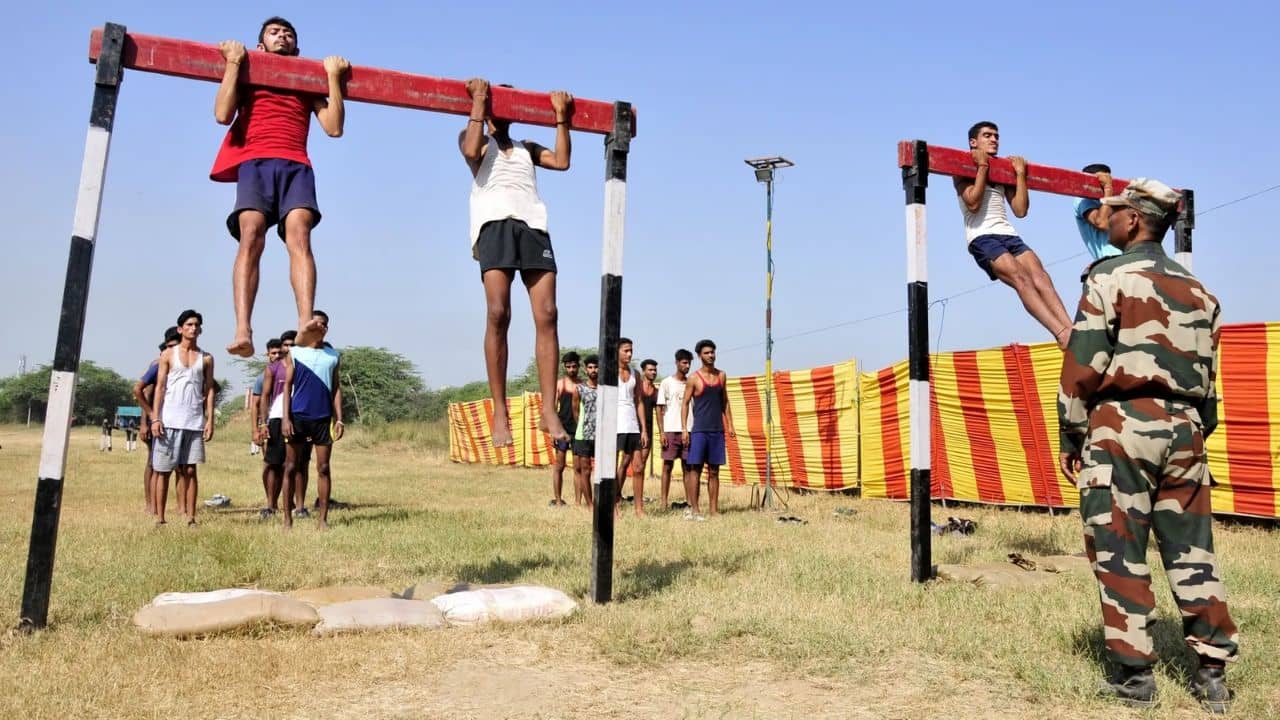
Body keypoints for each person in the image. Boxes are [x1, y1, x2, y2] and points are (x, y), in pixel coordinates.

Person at [1057, 179, 1237, 712]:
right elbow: (1208, 381)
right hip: (1186, 429)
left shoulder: (1107, 277)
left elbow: (1084, 361)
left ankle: (1134, 677)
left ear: (1133, 219)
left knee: (1119, 548)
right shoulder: (1201, 292)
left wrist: (1072, 431)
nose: (1104, 220)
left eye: (1110, 213)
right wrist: (1196, 428)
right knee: (1193, 550)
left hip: (1122, 425)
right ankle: (1212, 672)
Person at [211, 17, 350, 357]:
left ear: (297, 47)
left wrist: (332, 78)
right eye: (274, 33)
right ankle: (243, 328)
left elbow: (333, 128)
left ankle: (306, 321)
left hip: (296, 165)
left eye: (288, 34)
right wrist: (233, 62)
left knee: (300, 236)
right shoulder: (249, 70)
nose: (282, 37)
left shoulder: (306, 79)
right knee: (251, 236)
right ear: (261, 45)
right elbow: (222, 113)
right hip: (256, 162)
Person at [460, 77, 574, 448]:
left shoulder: (527, 146)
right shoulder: (474, 136)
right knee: (498, 313)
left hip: (533, 225)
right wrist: (478, 100)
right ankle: (499, 410)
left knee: (548, 313)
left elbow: (562, 161)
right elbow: (472, 150)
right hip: (494, 225)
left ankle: (549, 409)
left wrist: (561, 118)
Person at [954, 121, 1074, 349]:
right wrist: (981, 168)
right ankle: (1060, 333)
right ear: (973, 142)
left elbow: (1020, 210)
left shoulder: (1001, 169)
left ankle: (1070, 329)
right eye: (987, 135)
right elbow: (972, 203)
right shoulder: (962, 165)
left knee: (1041, 276)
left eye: (996, 136)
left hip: (1008, 233)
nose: (993, 140)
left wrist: (1019, 175)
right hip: (983, 236)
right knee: (1021, 278)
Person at [151, 311, 215, 527]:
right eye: (189, 324)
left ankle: (190, 517)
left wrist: (210, 420)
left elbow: (209, 390)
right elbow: (160, 386)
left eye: (197, 324)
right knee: (163, 470)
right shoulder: (168, 354)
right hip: (169, 420)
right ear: (180, 329)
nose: (193, 328)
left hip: (194, 421)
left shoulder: (206, 358)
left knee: (190, 470)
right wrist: (155, 418)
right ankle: (160, 518)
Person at [282, 311, 344, 530]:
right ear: (308, 326)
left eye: (324, 324)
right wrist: (285, 418)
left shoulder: (333, 355)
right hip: (298, 416)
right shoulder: (295, 352)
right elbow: (287, 386)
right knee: (290, 466)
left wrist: (339, 418)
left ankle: (322, 520)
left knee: (324, 467)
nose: (320, 327)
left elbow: (336, 387)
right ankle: (287, 519)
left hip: (322, 418)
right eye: (316, 323)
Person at [681, 339, 735, 517]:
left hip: (717, 430)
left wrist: (730, 425)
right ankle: (695, 508)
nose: (710, 355)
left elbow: (725, 402)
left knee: (714, 470)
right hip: (699, 430)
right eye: (706, 353)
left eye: (712, 352)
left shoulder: (722, 376)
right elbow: (685, 403)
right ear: (699, 356)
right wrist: (684, 429)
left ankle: (714, 509)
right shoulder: (694, 378)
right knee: (695, 469)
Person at [135, 326, 180, 514]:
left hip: (178, 420)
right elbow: (146, 392)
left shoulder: (190, 360)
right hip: (158, 422)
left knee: (181, 466)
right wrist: (146, 422)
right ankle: (150, 505)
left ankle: (181, 506)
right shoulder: (160, 363)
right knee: (153, 464)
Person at [613, 338, 649, 516]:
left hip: (633, 425)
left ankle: (639, 508)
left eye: (631, 351)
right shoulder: (609, 371)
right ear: (617, 351)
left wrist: (644, 429)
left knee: (638, 467)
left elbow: (639, 401)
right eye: (626, 350)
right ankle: (613, 505)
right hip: (614, 424)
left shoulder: (635, 373)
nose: (629, 354)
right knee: (611, 468)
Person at [656, 349, 693, 510]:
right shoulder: (666, 383)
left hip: (689, 429)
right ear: (677, 363)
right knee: (667, 466)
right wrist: (662, 432)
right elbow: (659, 408)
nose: (687, 366)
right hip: (671, 429)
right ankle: (663, 502)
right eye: (684, 362)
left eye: (689, 363)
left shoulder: (692, 382)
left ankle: (690, 502)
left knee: (688, 467)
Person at [254, 338, 285, 519]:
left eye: (279, 353)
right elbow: (256, 404)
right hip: (268, 423)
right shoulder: (263, 376)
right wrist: (257, 428)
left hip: (284, 421)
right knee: (270, 463)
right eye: (273, 353)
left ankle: (282, 501)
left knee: (283, 465)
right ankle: (270, 502)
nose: (276, 356)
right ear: (267, 354)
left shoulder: (289, 371)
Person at [1074, 164, 1123, 262]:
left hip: (1130, 259)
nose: (1105, 183)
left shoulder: (1113, 200)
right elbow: (1102, 223)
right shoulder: (1082, 199)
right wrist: (1108, 189)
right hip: (1110, 260)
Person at [550, 351, 581, 507]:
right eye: (568, 366)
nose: (571, 369)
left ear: (578, 366)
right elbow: (553, 408)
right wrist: (553, 430)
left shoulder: (582, 385)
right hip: (562, 430)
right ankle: (557, 500)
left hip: (578, 430)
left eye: (574, 366)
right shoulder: (560, 384)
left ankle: (577, 502)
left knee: (579, 468)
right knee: (559, 466)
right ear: (564, 367)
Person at [572, 355, 600, 509]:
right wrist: (584, 427)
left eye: (596, 367)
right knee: (585, 470)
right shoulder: (579, 389)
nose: (593, 370)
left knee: (602, 471)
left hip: (601, 436)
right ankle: (590, 504)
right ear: (585, 369)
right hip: (583, 435)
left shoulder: (605, 389)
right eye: (590, 367)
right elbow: (575, 412)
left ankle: (602, 501)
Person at [634, 358, 659, 485]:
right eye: (650, 370)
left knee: (642, 464)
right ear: (643, 371)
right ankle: (617, 495)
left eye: (655, 370)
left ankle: (638, 496)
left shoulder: (656, 392)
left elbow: (660, 413)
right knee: (626, 462)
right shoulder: (636, 387)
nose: (653, 372)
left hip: (647, 431)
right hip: (632, 428)